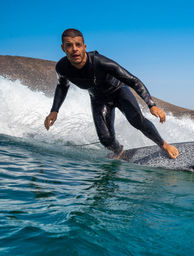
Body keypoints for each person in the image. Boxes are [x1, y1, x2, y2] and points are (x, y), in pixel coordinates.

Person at [44, 28, 179, 159]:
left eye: (78, 45)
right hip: (98, 99)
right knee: (105, 139)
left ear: (84, 47)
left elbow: (133, 80)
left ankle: (164, 145)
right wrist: (54, 110)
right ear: (63, 48)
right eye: (69, 45)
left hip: (119, 92)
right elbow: (62, 86)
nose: (74, 49)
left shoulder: (100, 62)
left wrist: (151, 105)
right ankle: (118, 151)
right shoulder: (62, 68)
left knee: (137, 121)